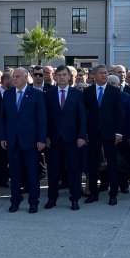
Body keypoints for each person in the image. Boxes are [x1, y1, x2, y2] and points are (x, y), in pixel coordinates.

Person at [0, 68, 47, 213]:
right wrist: (2, 137)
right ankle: (15, 200)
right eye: (13, 76)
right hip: (12, 140)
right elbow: (2, 118)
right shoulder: (7, 94)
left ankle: (33, 201)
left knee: (32, 172)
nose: (14, 79)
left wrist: (41, 138)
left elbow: (42, 118)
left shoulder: (36, 94)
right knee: (14, 173)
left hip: (31, 140)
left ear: (26, 78)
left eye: (18, 76)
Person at [44, 65, 87, 211]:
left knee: (74, 170)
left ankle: (75, 198)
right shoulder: (48, 94)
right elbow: (45, 118)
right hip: (54, 139)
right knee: (53, 170)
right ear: (55, 77)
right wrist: (46, 136)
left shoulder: (77, 94)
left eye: (64, 75)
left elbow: (82, 116)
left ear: (70, 77)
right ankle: (52, 198)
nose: (62, 77)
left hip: (72, 139)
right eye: (59, 75)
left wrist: (82, 136)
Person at [83, 64, 124, 206]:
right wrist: (85, 132)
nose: (104, 75)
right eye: (101, 73)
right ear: (94, 75)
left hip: (110, 132)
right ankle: (93, 193)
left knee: (112, 163)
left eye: (106, 73)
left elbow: (120, 113)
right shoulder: (87, 92)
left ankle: (113, 194)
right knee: (93, 164)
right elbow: (84, 114)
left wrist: (119, 132)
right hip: (93, 132)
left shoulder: (114, 91)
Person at [107, 75, 130, 193]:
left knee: (123, 162)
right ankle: (106, 183)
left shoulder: (128, 98)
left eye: (113, 84)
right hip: (108, 136)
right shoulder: (104, 97)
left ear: (119, 85)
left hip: (124, 137)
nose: (111, 86)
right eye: (108, 84)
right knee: (108, 162)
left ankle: (124, 184)